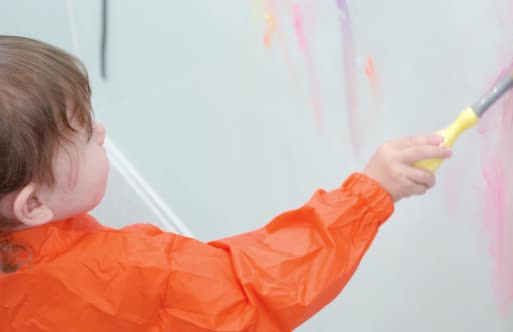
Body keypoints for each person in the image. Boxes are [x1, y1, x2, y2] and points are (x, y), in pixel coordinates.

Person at [0, 35, 452, 331]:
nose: (100, 132)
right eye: (83, 134)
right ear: (33, 203)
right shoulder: (127, 270)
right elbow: (251, 289)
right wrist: (369, 194)